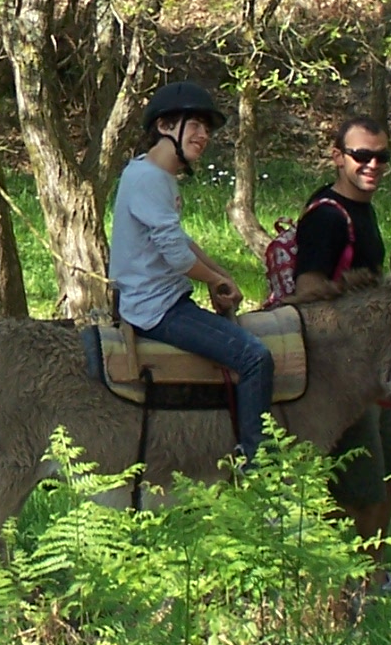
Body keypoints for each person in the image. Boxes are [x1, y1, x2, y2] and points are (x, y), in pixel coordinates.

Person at [109, 81, 274, 464]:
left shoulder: (152, 175)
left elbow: (178, 239)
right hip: (155, 309)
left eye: (207, 128)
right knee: (255, 358)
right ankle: (257, 462)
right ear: (166, 126)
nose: (204, 135)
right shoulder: (148, 178)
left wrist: (222, 274)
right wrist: (214, 280)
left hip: (165, 299)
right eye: (195, 125)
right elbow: (178, 258)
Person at [290, 114, 391, 539]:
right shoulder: (328, 217)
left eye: (381, 157)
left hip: (371, 371)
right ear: (338, 157)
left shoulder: (363, 209)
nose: (372, 165)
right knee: (360, 487)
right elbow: (309, 294)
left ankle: (375, 575)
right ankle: (350, 584)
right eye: (361, 156)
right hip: (339, 373)